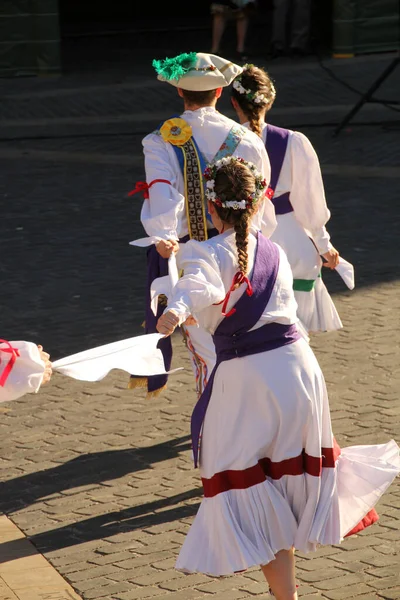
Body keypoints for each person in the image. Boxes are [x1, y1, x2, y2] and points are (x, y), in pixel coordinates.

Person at [156, 157, 400, 599]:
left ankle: (285, 596)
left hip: (248, 379)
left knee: (246, 483)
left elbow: (200, 284)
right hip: (299, 369)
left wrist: (175, 311)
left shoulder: (205, 252)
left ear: (211, 208)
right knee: (281, 481)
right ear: (255, 204)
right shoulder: (274, 250)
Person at [129, 51, 275, 399]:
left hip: (190, 255)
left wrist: (162, 236)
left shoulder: (160, 139)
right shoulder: (248, 139)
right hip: (242, 248)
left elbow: (162, 192)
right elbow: (261, 201)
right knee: (243, 336)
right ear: (220, 92)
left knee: (207, 352)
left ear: (180, 91)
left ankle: (220, 419)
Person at [230, 63, 345, 333]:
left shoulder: (226, 143)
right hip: (292, 242)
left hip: (248, 243)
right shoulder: (293, 141)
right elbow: (310, 200)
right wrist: (323, 243)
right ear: (270, 101)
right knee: (294, 331)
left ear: (234, 103)